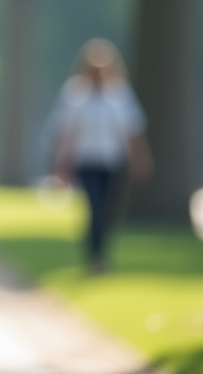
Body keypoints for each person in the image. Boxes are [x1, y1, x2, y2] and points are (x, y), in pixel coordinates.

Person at [50, 39, 152, 274]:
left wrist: (140, 158)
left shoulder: (120, 94)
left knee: (108, 212)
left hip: (113, 162)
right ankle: (95, 258)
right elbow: (65, 133)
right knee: (95, 209)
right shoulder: (75, 94)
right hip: (87, 161)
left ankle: (101, 253)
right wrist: (60, 167)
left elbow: (133, 131)